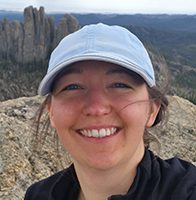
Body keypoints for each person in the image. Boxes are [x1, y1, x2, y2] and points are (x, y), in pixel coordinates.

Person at [24, 23, 196, 200]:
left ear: (152, 109)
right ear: (51, 111)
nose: (96, 109)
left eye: (119, 85)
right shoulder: (38, 195)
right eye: (73, 86)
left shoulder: (187, 190)